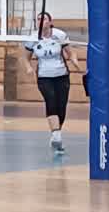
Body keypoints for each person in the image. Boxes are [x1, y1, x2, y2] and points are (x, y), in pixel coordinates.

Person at [23, 12, 79, 154]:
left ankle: (56, 134)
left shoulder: (59, 35)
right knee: (51, 100)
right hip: (44, 77)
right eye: (38, 19)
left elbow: (70, 52)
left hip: (62, 75)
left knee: (61, 108)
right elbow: (25, 58)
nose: (40, 21)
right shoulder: (33, 38)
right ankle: (56, 136)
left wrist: (74, 60)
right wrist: (28, 67)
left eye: (43, 19)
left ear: (50, 22)